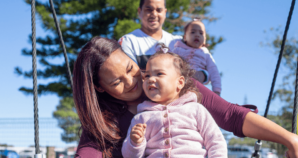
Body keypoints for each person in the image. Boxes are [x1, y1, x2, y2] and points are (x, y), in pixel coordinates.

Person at [73, 36, 298, 158]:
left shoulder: (179, 89)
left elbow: (231, 115)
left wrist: (290, 139)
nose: (132, 81)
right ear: (100, 88)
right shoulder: (102, 117)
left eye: (131, 69)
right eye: (116, 82)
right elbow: (88, 152)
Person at [122, 46, 227, 157]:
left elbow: (216, 141)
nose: (151, 79)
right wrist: (135, 143)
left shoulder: (195, 109)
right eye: (147, 75)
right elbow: (129, 156)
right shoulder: (142, 118)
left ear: (180, 82)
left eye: (159, 74)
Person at [173, 18, 221, 95]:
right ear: (185, 37)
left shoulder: (205, 53)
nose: (197, 35)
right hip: (180, 77)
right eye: (193, 32)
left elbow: (213, 71)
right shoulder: (178, 48)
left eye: (201, 33)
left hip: (197, 79)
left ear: (204, 39)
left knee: (197, 75)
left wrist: (216, 90)